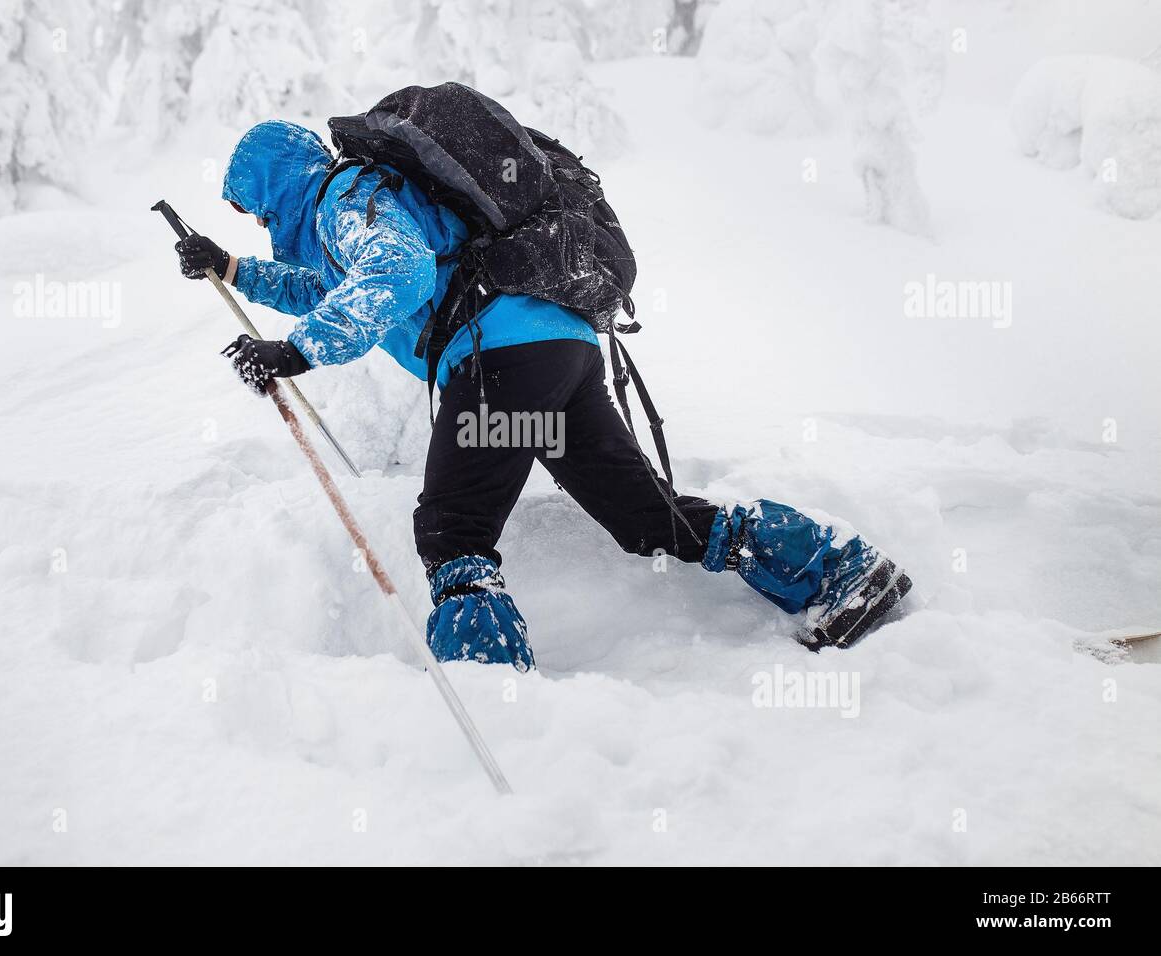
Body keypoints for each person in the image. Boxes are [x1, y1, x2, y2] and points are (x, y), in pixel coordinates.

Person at [176, 120, 911, 670]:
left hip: (502, 358)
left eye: (250, 207)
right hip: (560, 353)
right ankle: (840, 570)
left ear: (272, 183)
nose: (258, 222)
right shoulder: (359, 209)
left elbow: (398, 278)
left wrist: (299, 350)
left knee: (453, 531)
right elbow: (341, 285)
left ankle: (493, 695)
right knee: (648, 520)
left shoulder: (346, 198)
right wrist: (235, 271)